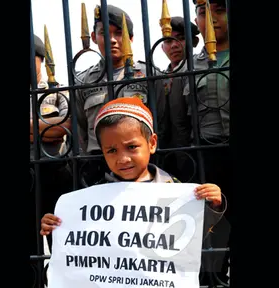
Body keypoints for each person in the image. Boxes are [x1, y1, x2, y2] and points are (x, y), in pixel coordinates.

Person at [40, 97, 227, 251]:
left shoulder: (173, 187)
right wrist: (57, 225)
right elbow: (83, 239)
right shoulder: (95, 195)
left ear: (152, 143)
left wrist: (212, 206)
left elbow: (193, 233)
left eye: (131, 147)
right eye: (112, 151)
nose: (123, 159)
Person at [182, 0, 231, 284]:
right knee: (211, 251)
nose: (211, 18)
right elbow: (178, 124)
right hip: (206, 162)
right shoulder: (189, 66)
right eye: (203, 12)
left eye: (220, 9)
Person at [74, 4, 149, 187]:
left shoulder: (149, 76)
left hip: (138, 163)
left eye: (119, 33)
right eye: (104, 33)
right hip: (96, 164)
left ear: (130, 38)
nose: (112, 40)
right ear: (93, 37)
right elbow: (80, 128)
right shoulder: (83, 81)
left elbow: (163, 121)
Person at [29, 34, 74, 258]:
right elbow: (51, 129)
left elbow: (65, 127)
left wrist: (50, 129)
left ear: (41, 59)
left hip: (54, 174)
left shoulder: (57, 92)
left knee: (61, 245)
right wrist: (42, 129)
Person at [155, 17, 201, 182]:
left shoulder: (202, 72)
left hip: (197, 152)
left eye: (180, 38)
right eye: (168, 40)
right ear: (162, 46)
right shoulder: (159, 78)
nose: (174, 45)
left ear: (194, 42)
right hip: (164, 156)